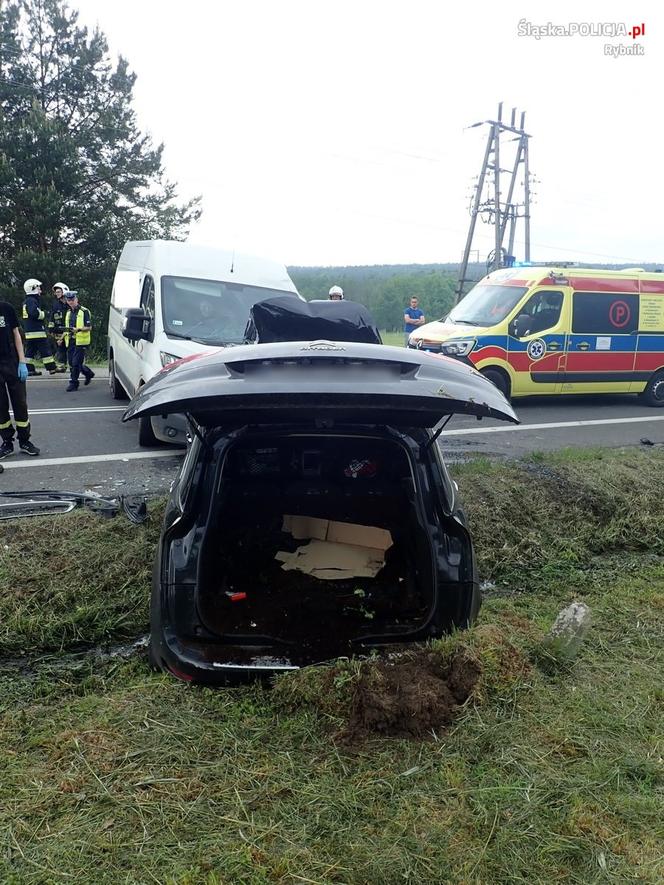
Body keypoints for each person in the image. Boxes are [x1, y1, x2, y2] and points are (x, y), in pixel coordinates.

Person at [0, 298, 40, 458]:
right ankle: (7, 442)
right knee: (0, 407)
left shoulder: (6, 308)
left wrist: (22, 361)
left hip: (12, 362)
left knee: (20, 403)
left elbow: (16, 334)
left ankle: (25, 441)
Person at [22, 278, 64, 375]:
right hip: (37, 331)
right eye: (38, 288)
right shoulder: (32, 300)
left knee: (30, 352)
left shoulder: (27, 300)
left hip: (30, 332)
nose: (40, 290)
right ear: (33, 288)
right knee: (45, 349)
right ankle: (52, 368)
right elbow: (34, 313)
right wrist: (44, 314)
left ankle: (30, 369)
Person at [63, 291, 95, 391]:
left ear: (76, 299)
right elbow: (67, 328)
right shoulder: (68, 313)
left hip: (81, 341)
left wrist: (79, 329)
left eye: (72, 300)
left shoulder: (84, 311)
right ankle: (88, 373)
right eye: (69, 300)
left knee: (76, 363)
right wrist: (62, 337)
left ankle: (73, 383)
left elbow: (89, 327)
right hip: (71, 340)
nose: (71, 302)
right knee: (73, 363)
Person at [48, 282, 70, 369]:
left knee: (71, 348)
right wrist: (51, 328)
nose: (56, 294)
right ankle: (62, 365)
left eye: (58, 292)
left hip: (69, 329)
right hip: (58, 330)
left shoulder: (70, 303)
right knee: (61, 348)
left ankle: (74, 365)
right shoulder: (55, 304)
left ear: (64, 291)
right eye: (56, 292)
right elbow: (52, 317)